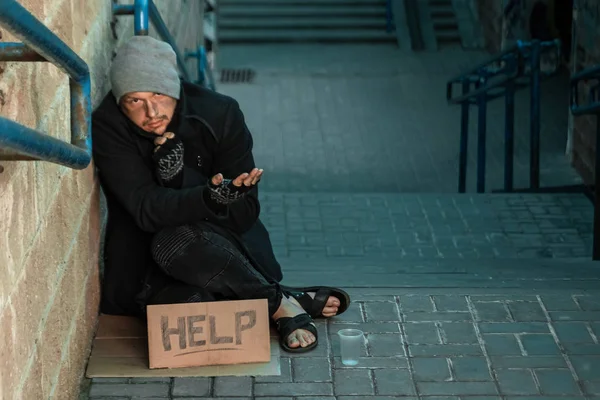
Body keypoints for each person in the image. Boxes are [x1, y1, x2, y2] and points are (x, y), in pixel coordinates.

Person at [91, 35, 350, 352]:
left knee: (180, 240)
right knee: (190, 304)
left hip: (216, 244)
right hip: (144, 256)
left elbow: (245, 215)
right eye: (135, 101)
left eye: (159, 94)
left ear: (175, 88)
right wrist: (203, 197)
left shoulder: (219, 113)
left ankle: (275, 302)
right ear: (120, 103)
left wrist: (212, 195)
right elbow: (145, 209)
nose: (151, 111)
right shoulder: (108, 124)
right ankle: (281, 298)